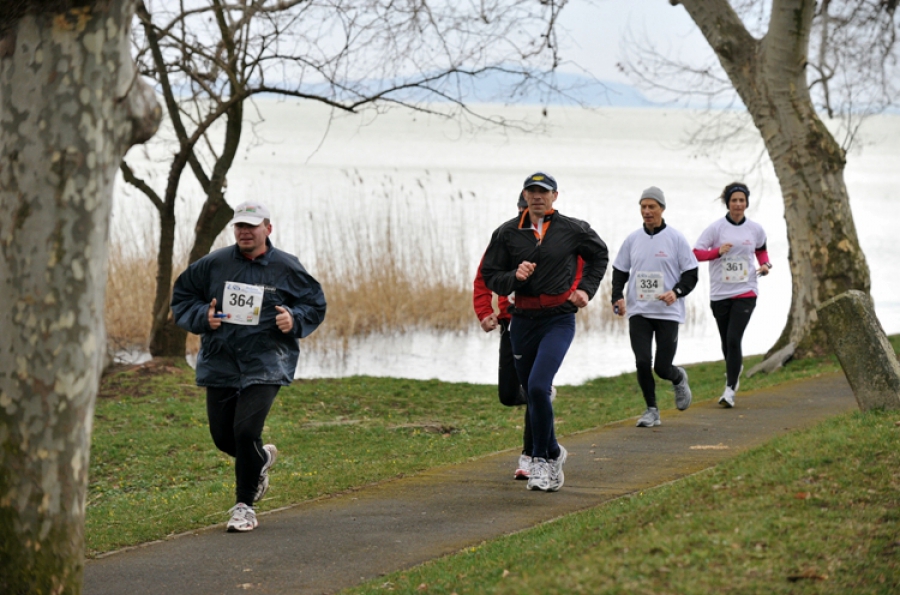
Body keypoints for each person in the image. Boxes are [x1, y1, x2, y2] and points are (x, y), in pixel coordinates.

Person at [171, 201, 327, 532]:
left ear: (267, 229)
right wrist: (204, 317)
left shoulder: (286, 267)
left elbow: (313, 303)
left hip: (267, 359)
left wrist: (293, 319)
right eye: (239, 226)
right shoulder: (213, 264)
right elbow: (183, 297)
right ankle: (260, 460)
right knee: (223, 437)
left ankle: (244, 508)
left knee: (245, 432)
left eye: (251, 226)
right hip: (222, 359)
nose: (244, 231)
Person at [481, 172, 608, 492]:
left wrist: (586, 291)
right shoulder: (507, 233)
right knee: (531, 389)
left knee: (538, 386)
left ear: (555, 196)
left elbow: (600, 255)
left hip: (558, 318)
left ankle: (542, 462)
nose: (538, 197)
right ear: (524, 195)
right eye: (532, 191)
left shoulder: (573, 229)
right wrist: (514, 276)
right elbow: (490, 276)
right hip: (522, 321)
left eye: (544, 192)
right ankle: (553, 451)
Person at [473, 192, 568, 481]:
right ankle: (544, 399)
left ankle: (530, 454)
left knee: (535, 388)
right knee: (509, 395)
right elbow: (483, 277)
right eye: (523, 210)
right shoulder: (505, 238)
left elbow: (578, 270)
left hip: (544, 323)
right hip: (512, 324)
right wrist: (484, 312)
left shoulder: (557, 241)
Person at [611, 186, 698, 428]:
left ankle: (678, 377)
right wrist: (616, 296)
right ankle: (651, 410)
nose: (647, 211)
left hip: (667, 311)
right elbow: (619, 270)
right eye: (643, 206)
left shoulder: (676, 238)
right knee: (641, 361)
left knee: (662, 367)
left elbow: (691, 273)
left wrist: (676, 292)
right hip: (639, 310)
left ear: (662, 208)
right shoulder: (633, 239)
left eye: (652, 206)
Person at [693, 182, 772, 408]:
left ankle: (729, 390)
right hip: (720, 292)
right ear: (727, 202)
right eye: (734, 200)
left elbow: (761, 250)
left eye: (742, 200)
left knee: (733, 338)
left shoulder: (755, 229)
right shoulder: (716, 229)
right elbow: (696, 253)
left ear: (746, 203)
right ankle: (734, 370)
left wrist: (765, 265)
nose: (738, 204)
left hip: (746, 290)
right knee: (726, 342)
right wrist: (716, 252)